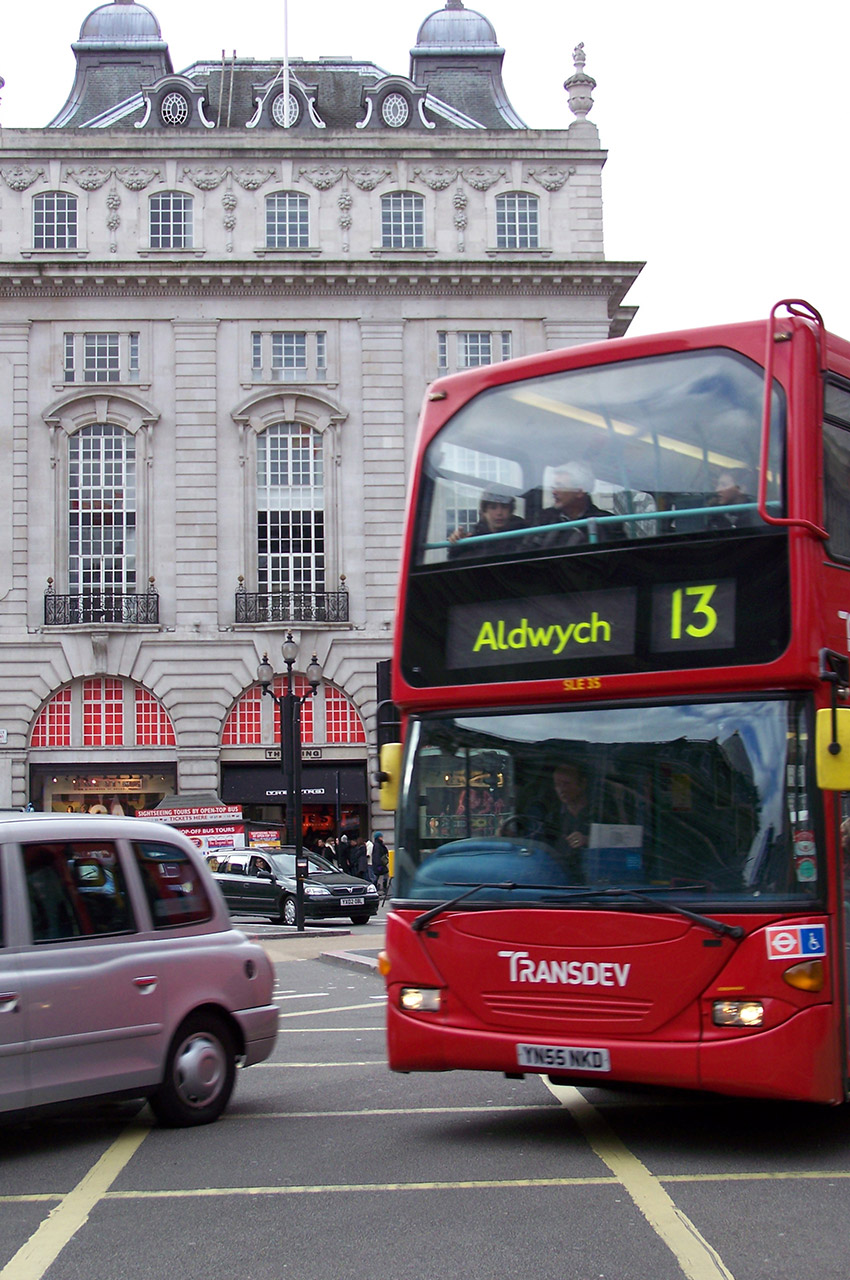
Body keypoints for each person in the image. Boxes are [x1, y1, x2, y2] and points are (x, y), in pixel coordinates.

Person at [536, 462, 620, 546]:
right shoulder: (544, 518)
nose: (554, 492)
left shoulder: (607, 524)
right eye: (554, 487)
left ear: (579, 492)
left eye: (560, 486)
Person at [448, 487, 526, 557]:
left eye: (504, 507)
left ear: (511, 510)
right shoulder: (474, 539)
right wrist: (458, 544)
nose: (499, 513)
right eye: (493, 507)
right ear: (484, 512)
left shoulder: (524, 535)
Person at [371, 832, 390, 898]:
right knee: (377, 876)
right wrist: (379, 866)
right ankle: (378, 888)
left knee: (380, 876)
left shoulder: (379, 844)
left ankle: (381, 888)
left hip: (380, 864)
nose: (382, 838)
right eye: (381, 837)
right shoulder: (377, 845)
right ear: (378, 837)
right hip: (379, 865)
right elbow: (376, 856)